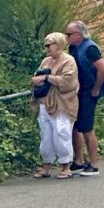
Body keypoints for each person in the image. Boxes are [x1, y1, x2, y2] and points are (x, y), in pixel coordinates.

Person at [30, 32, 79, 179]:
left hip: (62, 103)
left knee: (61, 133)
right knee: (46, 135)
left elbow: (68, 81)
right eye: (45, 45)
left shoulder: (69, 61)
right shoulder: (46, 61)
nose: (46, 48)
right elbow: (39, 74)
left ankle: (66, 165)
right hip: (45, 102)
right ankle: (46, 165)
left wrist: (47, 77)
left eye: (49, 45)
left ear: (58, 45)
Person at [66, 20, 104, 176]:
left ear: (79, 34)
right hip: (78, 91)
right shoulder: (73, 48)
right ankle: (78, 161)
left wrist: (95, 89)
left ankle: (94, 164)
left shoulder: (90, 48)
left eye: (69, 34)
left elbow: (101, 70)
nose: (67, 37)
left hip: (88, 92)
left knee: (87, 128)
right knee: (76, 126)